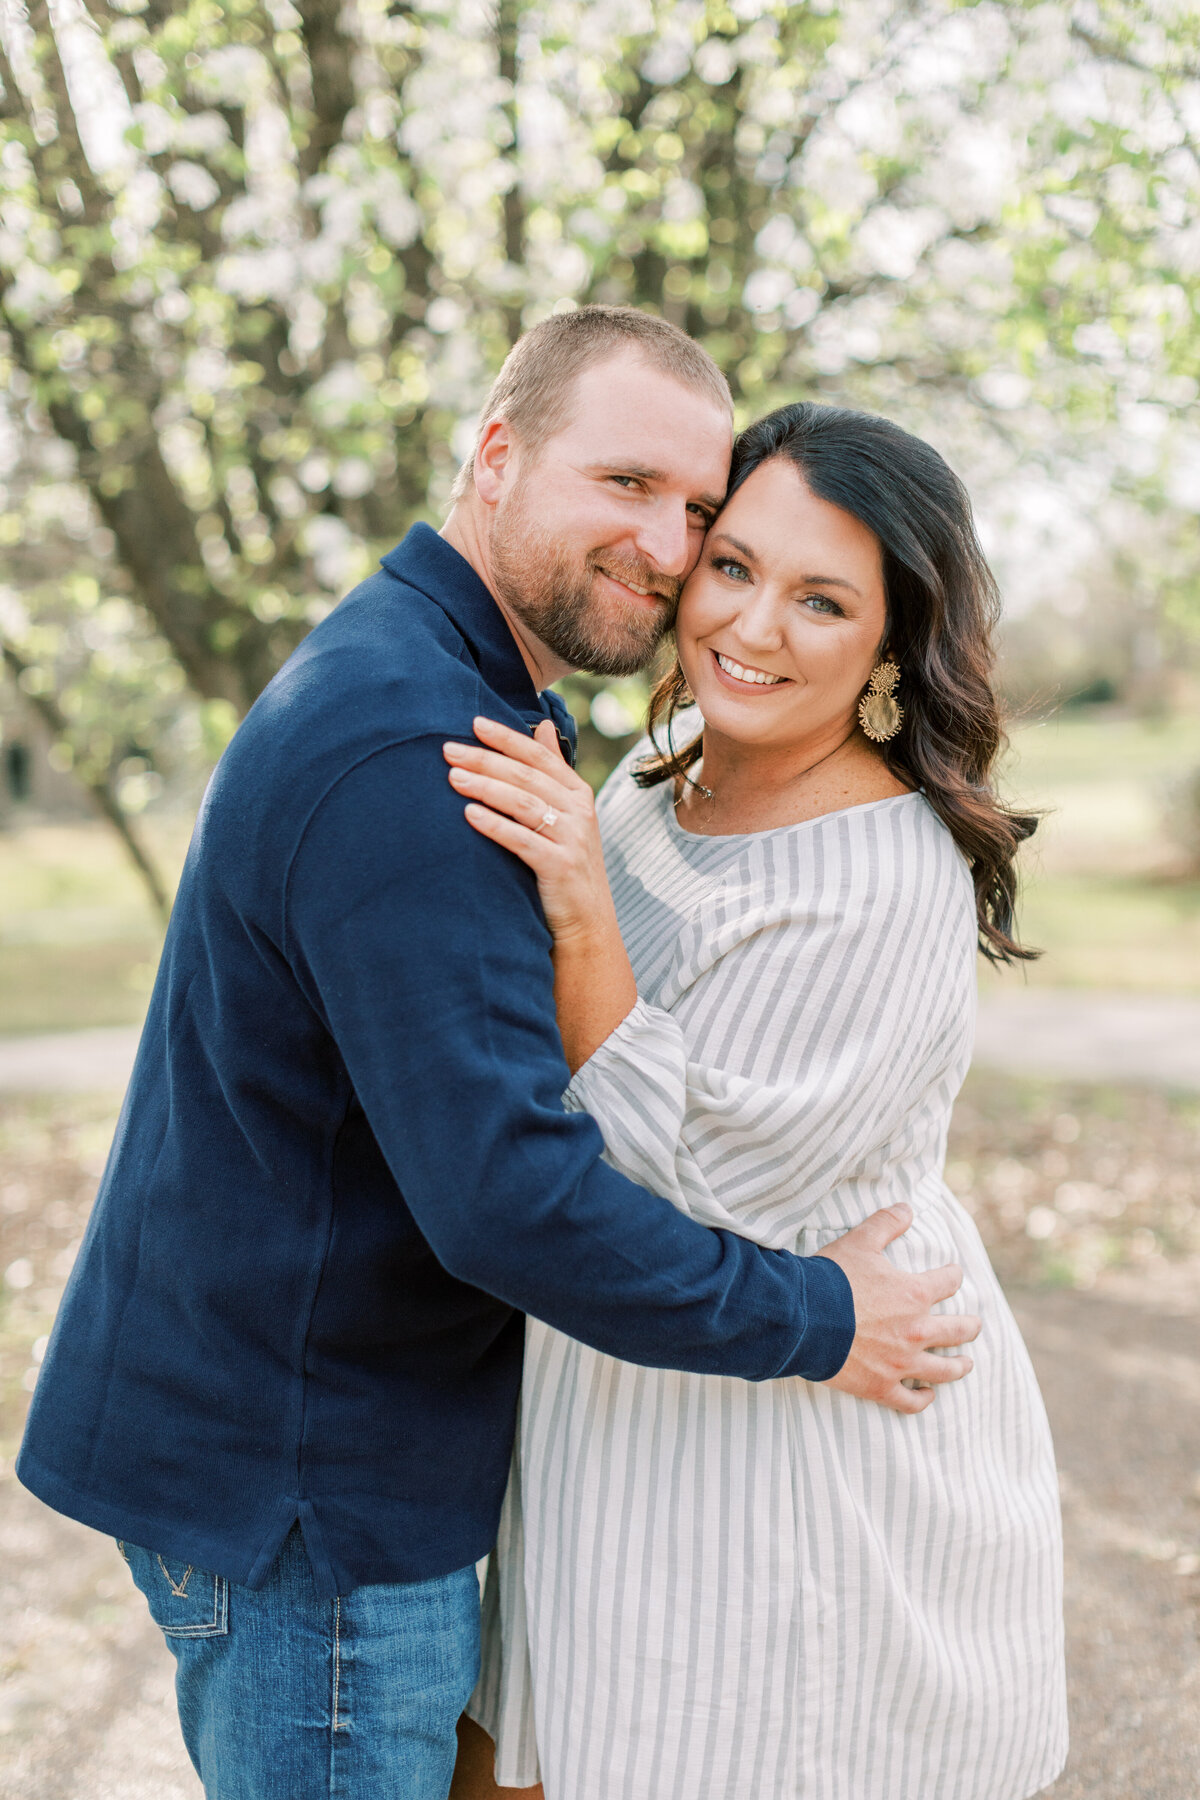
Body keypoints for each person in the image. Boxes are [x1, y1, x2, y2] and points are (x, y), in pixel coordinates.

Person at [16, 313, 979, 1800]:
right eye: (625, 485)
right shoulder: (418, 746)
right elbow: (509, 1201)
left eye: (694, 510)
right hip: (309, 1496)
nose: (665, 548)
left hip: (303, 1449)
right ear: (496, 452)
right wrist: (821, 1318)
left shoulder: (455, 688)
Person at [446, 402, 1068, 1800]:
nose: (754, 627)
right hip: (620, 1379)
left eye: (823, 599)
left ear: (889, 647)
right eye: (733, 567)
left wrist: (583, 918)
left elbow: (702, 1183)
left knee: (726, 1742)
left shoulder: (880, 875)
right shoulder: (656, 787)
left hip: (793, 1412)